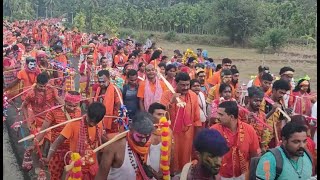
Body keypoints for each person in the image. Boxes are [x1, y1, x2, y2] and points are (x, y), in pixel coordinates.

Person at [45, 102, 106, 180]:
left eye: (95, 122)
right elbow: (58, 141)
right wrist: (48, 157)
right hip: (77, 169)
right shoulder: (73, 124)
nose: (92, 123)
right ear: (87, 113)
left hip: (92, 168)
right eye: (90, 120)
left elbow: (100, 138)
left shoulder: (99, 125)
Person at [34, 91, 82, 180]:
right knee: (55, 176)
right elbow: (43, 129)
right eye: (69, 105)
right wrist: (36, 141)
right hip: (56, 150)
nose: (72, 108)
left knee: (73, 176)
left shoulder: (78, 111)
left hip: (72, 151)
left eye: (75, 106)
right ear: (65, 101)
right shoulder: (53, 112)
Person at [160, 72, 202, 174]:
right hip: (172, 133)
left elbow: (196, 119)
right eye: (183, 85)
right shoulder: (167, 94)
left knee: (186, 158)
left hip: (188, 134)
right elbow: (161, 114)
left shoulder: (193, 95)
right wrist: (171, 102)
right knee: (172, 156)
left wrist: (197, 137)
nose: (186, 87)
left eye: (187, 85)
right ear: (176, 83)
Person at [95, 112, 157, 180]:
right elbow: (101, 176)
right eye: (140, 137)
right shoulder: (114, 146)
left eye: (147, 136)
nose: (144, 141)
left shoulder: (148, 143)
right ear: (131, 128)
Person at [211, 101, 261, 179]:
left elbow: (254, 155)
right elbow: (208, 155)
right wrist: (215, 174)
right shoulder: (213, 130)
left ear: (231, 117)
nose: (217, 117)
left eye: (221, 114)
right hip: (220, 175)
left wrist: (250, 175)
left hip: (244, 175)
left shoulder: (249, 130)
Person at [260, 79, 291, 148]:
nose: (282, 95)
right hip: (262, 136)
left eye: (284, 93)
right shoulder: (264, 101)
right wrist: (272, 111)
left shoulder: (281, 104)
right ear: (273, 90)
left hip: (274, 137)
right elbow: (260, 120)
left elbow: (280, 121)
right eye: (280, 92)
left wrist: (287, 114)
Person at [239, 86, 271, 152]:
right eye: (256, 100)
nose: (259, 103)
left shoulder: (262, 115)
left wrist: (263, 147)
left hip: (258, 150)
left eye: (260, 101)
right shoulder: (240, 113)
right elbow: (237, 131)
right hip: (243, 149)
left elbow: (264, 133)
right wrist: (248, 121)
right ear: (248, 99)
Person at [91, 70, 122, 134]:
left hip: (111, 121)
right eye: (100, 82)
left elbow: (118, 105)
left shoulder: (115, 90)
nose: (101, 84)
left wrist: (113, 119)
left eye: (103, 82)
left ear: (109, 79)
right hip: (98, 119)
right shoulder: (98, 89)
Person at [148, 102, 174, 176]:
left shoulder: (169, 132)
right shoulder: (144, 133)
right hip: (146, 174)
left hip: (163, 174)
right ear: (150, 116)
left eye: (164, 115)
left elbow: (171, 154)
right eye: (159, 114)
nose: (163, 118)